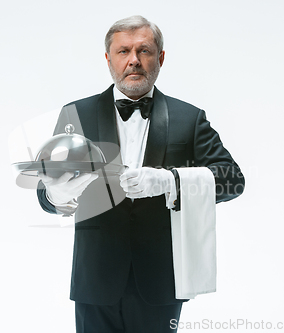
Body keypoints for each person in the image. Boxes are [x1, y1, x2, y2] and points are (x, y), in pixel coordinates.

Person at [36, 15, 245, 333]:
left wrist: (170, 181)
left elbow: (233, 179)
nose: (133, 60)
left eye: (144, 51)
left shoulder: (189, 118)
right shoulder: (76, 114)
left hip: (161, 282)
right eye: (123, 52)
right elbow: (46, 190)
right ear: (108, 59)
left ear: (160, 58)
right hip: (94, 282)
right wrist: (58, 195)